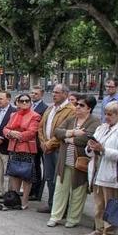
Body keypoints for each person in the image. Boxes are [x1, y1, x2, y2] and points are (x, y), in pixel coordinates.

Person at [85, 101, 118, 235]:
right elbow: (92, 148)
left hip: (111, 172)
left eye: (110, 114)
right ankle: (99, 228)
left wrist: (103, 150)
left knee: (110, 205)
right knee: (98, 204)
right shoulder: (102, 127)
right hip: (97, 169)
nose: (107, 117)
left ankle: (108, 233)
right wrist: (90, 148)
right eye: (105, 114)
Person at [49, 95, 100, 228]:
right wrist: (72, 132)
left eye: (81, 105)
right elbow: (57, 132)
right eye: (77, 104)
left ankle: (73, 219)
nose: (77, 107)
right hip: (65, 160)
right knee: (60, 190)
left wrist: (68, 139)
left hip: (81, 163)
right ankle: (55, 216)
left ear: (89, 108)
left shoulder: (94, 121)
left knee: (78, 191)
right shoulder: (71, 119)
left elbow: (88, 138)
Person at [37, 84, 75, 213]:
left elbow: (64, 131)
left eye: (57, 92)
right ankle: (51, 203)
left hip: (59, 149)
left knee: (59, 179)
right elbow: (41, 126)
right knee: (49, 177)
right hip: (47, 149)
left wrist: (49, 144)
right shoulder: (50, 108)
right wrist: (43, 142)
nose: (54, 94)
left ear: (65, 94)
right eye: (53, 92)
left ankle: (62, 207)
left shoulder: (71, 110)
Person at [3, 93, 41, 209]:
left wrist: (16, 134)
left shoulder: (35, 115)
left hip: (27, 150)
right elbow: (6, 128)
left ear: (30, 103)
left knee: (26, 176)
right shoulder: (13, 115)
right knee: (14, 174)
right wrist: (10, 133)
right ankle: (15, 199)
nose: (24, 103)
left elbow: (32, 132)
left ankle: (24, 200)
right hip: (14, 148)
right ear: (18, 103)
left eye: (27, 101)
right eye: (22, 101)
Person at [29, 85, 49, 201]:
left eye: (36, 93)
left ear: (41, 95)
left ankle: (37, 192)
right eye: (32, 93)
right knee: (32, 167)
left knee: (37, 167)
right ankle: (31, 189)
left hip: (38, 142)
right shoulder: (29, 105)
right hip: (30, 142)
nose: (33, 95)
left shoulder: (44, 108)